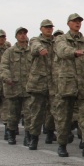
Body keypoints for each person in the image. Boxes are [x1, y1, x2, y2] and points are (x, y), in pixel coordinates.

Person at [54, 13, 84, 157]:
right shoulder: (61, 39)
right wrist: (74, 52)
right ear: (68, 23)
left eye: (79, 21)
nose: (77, 23)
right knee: (64, 117)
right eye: (74, 21)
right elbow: (62, 50)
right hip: (67, 85)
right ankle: (62, 144)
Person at [27, 19, 57, 149]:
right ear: (41, 29)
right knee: (37, 112)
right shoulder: (35, 40)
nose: (49, 29)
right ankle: (33, 137)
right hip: (38, 83)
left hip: (54, 83)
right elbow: (34, 46)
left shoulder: (57, 42)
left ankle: (50, 132)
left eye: (50, 27)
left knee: (54, 111)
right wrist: (40, 49)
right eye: (46, 27)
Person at [0, 27, 32, 145]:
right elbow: (3, 67)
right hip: (13, 87)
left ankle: (28, 136)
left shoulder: (31, 51)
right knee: (13, 114)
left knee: (29, 114)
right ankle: (11, 133)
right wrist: (7, 78)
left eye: (24, 33)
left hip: (28, 88)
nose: (23, 35)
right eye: (20, 34)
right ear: (16, 36)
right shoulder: (9, 52)